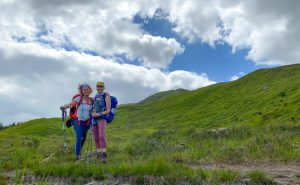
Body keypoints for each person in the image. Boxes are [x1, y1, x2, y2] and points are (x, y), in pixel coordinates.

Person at [60, 83, 93, 161]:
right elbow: (70, 104)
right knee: (79, 137)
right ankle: (77, 157)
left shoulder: (92, 100)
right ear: (81, 91)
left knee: (83, 137)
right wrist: (64, 107)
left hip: (87, 122)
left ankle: (78, 152)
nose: (86, 91)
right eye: (84, 90)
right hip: (78, 121)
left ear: (90, 90)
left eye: (87, 89)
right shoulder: (79, 98)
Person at [92, 81, 111, 163]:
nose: (99, 88)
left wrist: (98, 114)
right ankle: (98, 155)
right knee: (96, 138)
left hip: (102, 118)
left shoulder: (106, 95)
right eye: (98, 86)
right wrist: (93, 112)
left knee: (101, 136)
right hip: (94, 119)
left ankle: (104, 156)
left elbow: (108, 110)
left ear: (103, 87)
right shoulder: (95, 96)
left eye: (101, 86)